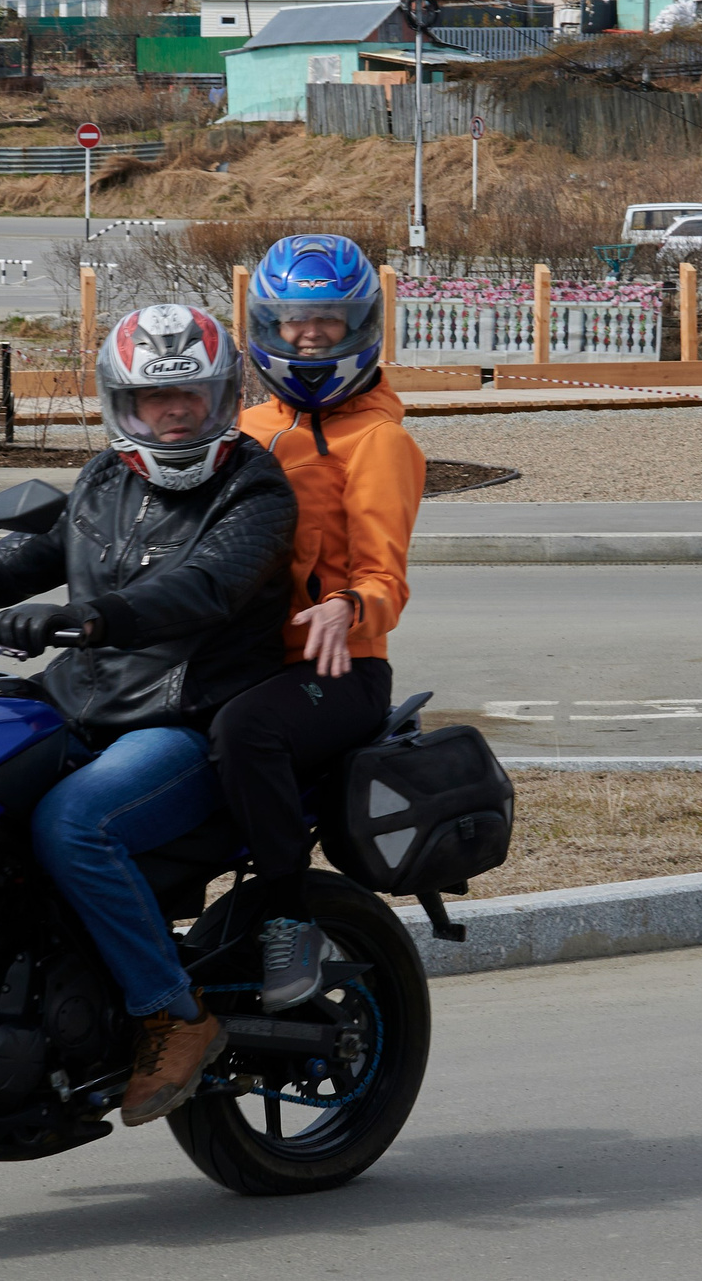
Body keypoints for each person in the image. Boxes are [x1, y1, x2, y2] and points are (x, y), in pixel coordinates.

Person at [0, 304, 296, 1126]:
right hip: (75, 703)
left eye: (191, 392)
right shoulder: (103, 480)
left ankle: (172, 1014)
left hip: (182, 721)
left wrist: (87, 618)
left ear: (223, 396)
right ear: (126, 405)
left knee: (74, 824)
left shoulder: (254, 487)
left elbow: (205, 588)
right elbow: (6, 567)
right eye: (157, 398)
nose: (175, 410)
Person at [221, 235, 427, 1008]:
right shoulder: (244, 424)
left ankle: (286, 919)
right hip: (250, 656)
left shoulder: (380, 440)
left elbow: (386, 576)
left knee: (248, 732)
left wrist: (351, 605)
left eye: (328, 322)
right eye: (293, 320)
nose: (309, 336)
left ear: (359, 327)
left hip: (340, 670)